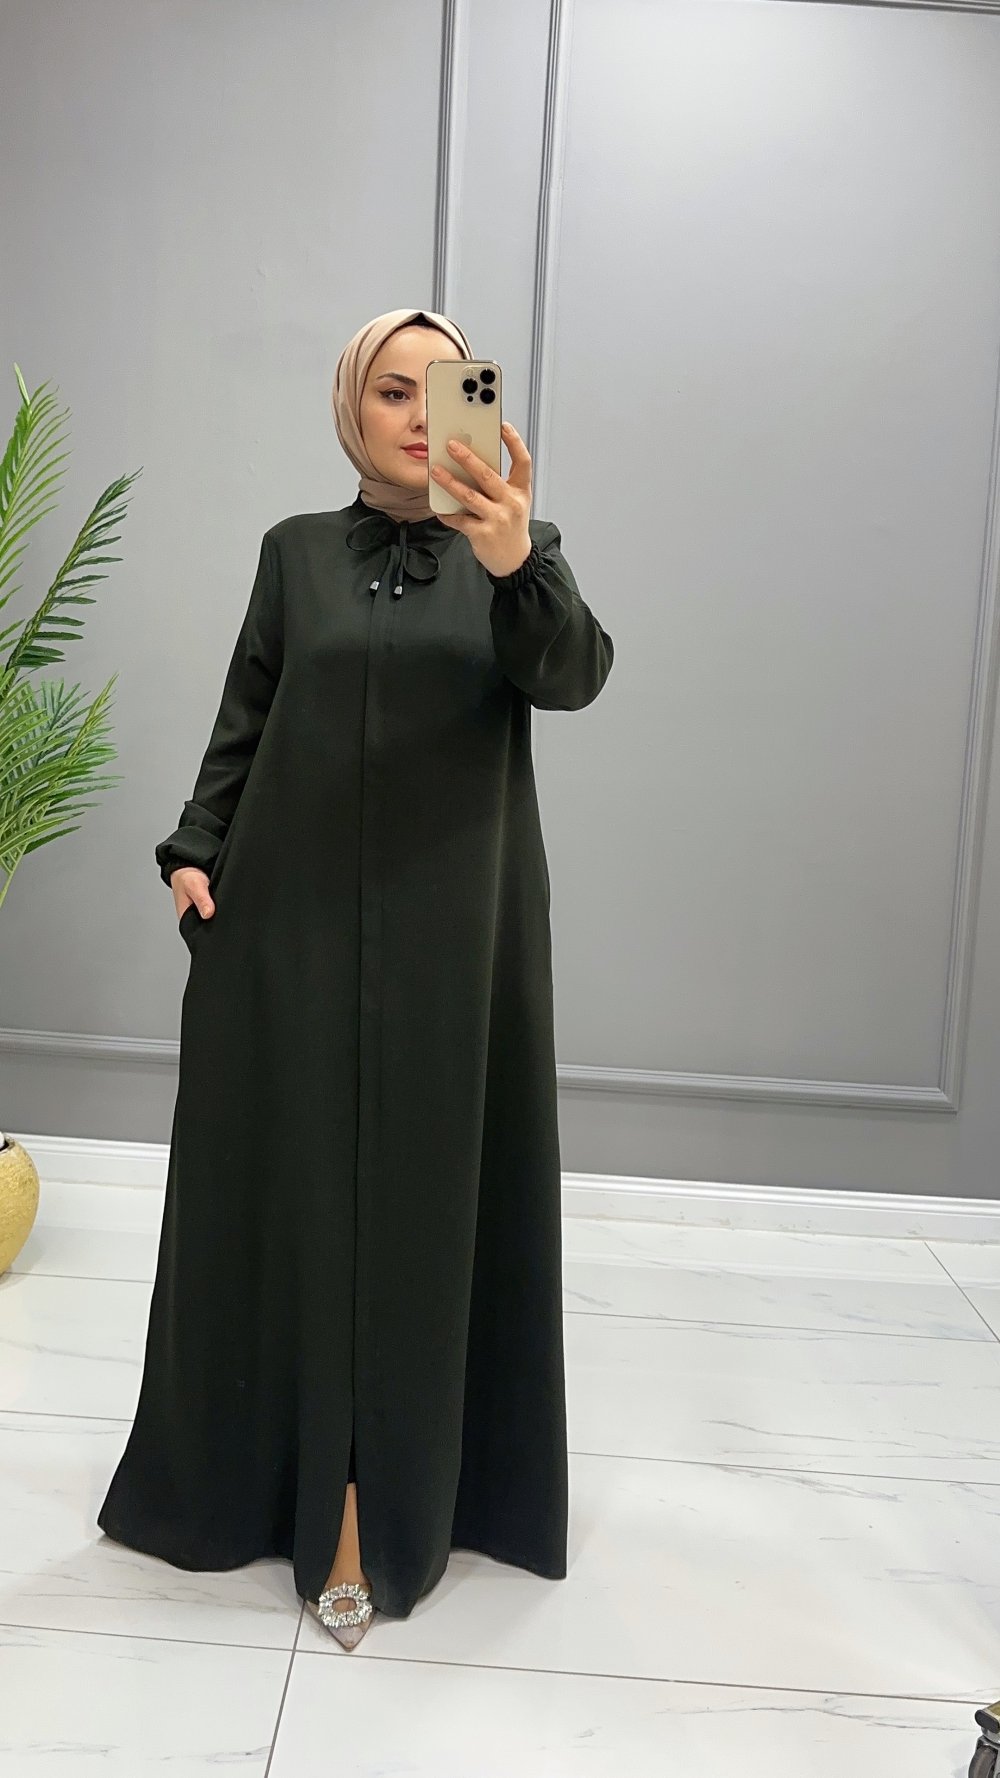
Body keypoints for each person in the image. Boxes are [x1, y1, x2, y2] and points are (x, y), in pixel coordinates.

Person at [96, 306, 615, 1649]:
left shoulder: (518, 553)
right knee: (294, 1195)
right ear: (351, 409)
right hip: (292, 918)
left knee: (430, 1202)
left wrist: (515, 557)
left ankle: (397, 1499)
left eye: (443, 388)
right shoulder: (295, 553)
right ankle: (293, 1485)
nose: (416, 413)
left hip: (458, 935)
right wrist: (195, 847)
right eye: (391, 389)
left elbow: (573, 677)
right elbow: (249, 709)